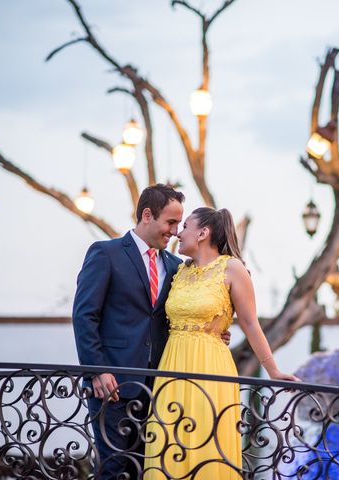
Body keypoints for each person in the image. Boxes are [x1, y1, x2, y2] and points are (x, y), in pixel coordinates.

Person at [72, 184, 230, 479]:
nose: (175, 231)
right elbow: (84, 316)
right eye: (170, 222)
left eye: (179, 224)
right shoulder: (105, 253)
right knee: (114, 468)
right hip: (113, 386)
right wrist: (97, 370)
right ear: (147, 214)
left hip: (160, 389)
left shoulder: (176, 267)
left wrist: (213, 330)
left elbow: (182, 313)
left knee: (147, 469)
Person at [143, 207, 299, 479]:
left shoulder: (233, 268)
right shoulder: (180, 271)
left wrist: (273, 371)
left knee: (205, 441)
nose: (179, 232)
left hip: (210, 367)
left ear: (203, 233)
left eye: (186, 226)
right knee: (168, 441)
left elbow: (251, 323)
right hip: (171, 364)